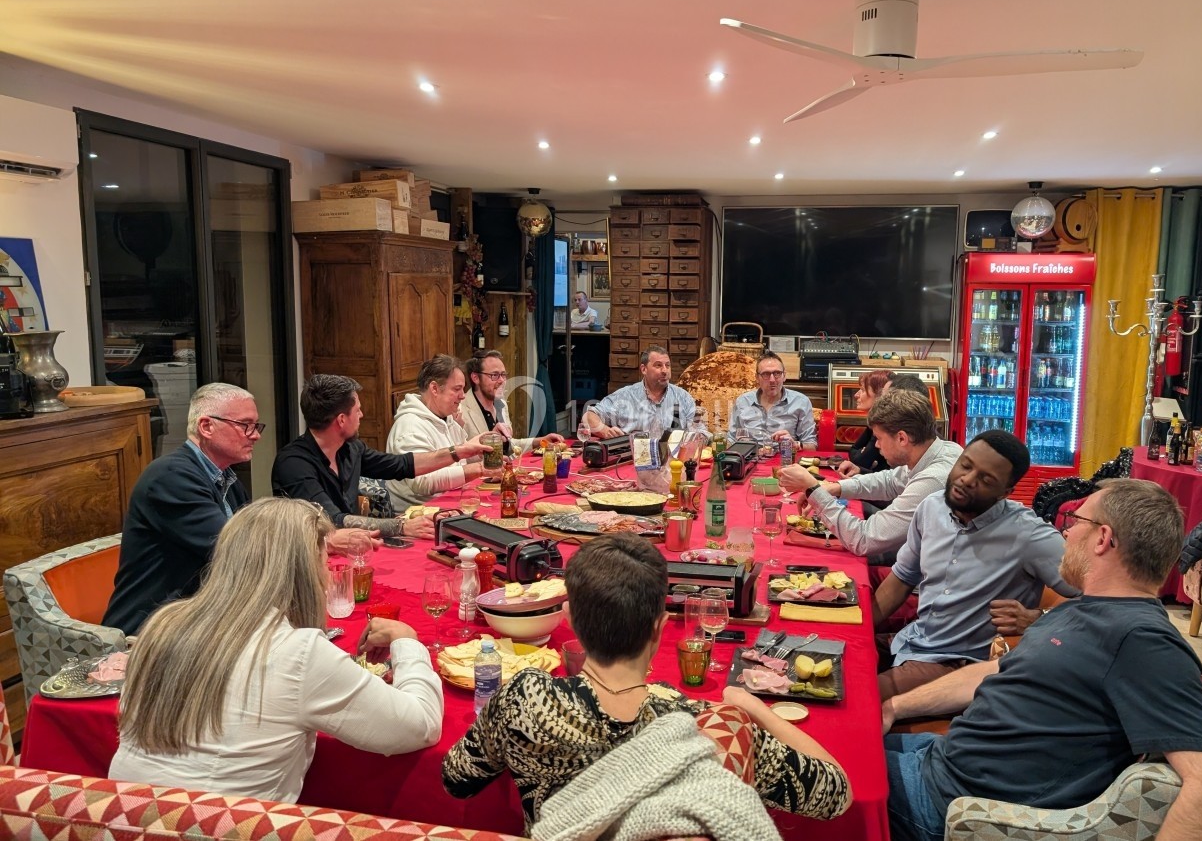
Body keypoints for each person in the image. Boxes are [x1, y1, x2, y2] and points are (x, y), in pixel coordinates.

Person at [881, 479, 1202, 841]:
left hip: (945, 806)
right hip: (938, 758)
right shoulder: (1080, 609)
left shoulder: (1143, 640)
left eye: (1073, 521)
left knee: (824, 781)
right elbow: (994, 671)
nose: (1064, 533)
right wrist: (894, 706)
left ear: (1103, 539)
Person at [442, 532, 850, 831]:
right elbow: (838, 792)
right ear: (659, 628)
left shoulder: (523, 698)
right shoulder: (705, 728)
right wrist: (754, 708)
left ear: (571, 622)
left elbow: (456, 780)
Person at [111, 498, 444, 802]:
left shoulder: (162, 625)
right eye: (325, 560)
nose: (328, 572)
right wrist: (408, 642)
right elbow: (420, 725)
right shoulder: (298, 653)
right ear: (302, 570)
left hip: (126, 821)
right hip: (227, 828)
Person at [102, 383, 375, 636]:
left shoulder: (227, 479)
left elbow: (257, 536)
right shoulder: (171, 477)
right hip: (154, 631)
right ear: (206, 426)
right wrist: (322, 539)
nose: (255, 435)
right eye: (245, 425)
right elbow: (238, 549)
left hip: (204, 619)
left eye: (256, 426)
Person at [871, 430, 1077, 700]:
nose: (967, 480)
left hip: (957, 665)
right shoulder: (931, 507)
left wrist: (1038, 619)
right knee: (829, 654)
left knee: (853, 695)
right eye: (966, 465)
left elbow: (1101, 598)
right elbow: (902, 578)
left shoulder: (1029, 536)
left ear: (1006, 492)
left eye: (985, 479)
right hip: (911, 639)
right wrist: (858, 630)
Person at [272, 374, 488, 537]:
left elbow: (402, 465)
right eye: (357, 410)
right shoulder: (294, 464)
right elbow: (331, 520)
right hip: (311, 561)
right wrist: (401, 526)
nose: (362, 415)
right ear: (341, 420)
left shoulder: (350, 449)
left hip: (351, 545)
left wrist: (459, 451)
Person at [778, 389, 962, 559]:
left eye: (880, 438)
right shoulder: (941, 449)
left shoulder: (933, 479)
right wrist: (834, 488)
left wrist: (813, 489)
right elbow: (890, 481)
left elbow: (863, 540)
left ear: (902, 438)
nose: (876, 445)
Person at [385, 354, 486, 511]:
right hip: (418, 514)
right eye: (457, 389)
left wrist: (479, 452)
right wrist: (477, 469)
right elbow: (421, 482)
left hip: (451, 503)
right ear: (434, 388)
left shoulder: (446, 417)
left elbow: (457, 463)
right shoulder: (410, 427)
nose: (463, 396)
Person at [456, 349, 564, 457]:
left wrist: (540, 441)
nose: (502, 380)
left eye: (503, 375)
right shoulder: (460, 410)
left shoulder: (501, 405)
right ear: (475, 378)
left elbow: (510, 445)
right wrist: (489, 441)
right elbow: (459, 459)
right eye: (494, 375)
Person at [580, 347, 705, 438]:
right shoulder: (625, 396)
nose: (665, 371)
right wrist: (605, 431)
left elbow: (700, 433)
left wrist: (699, 438)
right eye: (658, 365)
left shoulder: (683, 397)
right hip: (630, 462)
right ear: (644, 369)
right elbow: (589, 416)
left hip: (672, 463)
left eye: (668, 365)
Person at [728, 350, 817, 449]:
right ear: (757, 378)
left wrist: (795, 445)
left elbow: (812, 445)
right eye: (766, 374)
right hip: (750, 458)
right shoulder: (743, 402)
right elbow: (731, 439)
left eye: (777, 373)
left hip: (785, 459)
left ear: (784, 376)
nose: (772, 380)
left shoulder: (801, 402)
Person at [838, 369, 894, 478]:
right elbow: (853, 452)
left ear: (880, 394)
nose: (856, 395)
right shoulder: (873, 422)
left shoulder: (886, 425)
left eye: (862, 390)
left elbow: (860, 461)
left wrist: (862, 454)